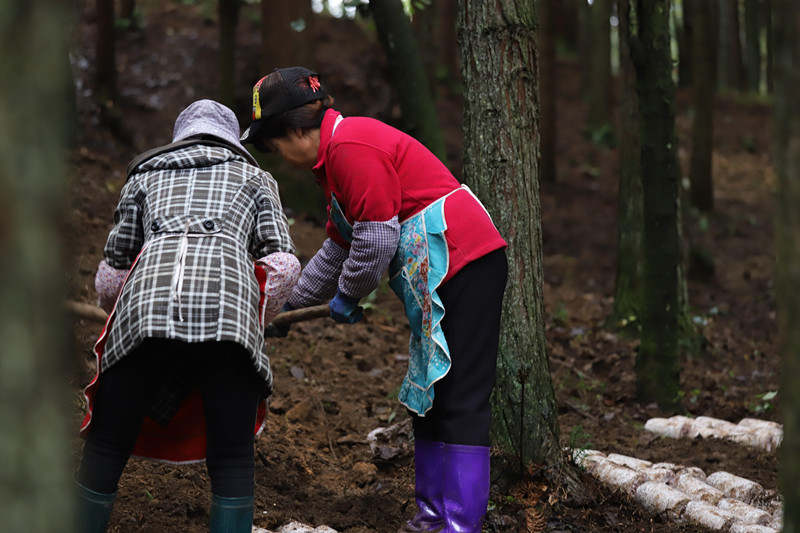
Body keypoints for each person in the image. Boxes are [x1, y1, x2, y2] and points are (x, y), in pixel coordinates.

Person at [241, 67, 508, 533]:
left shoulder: (351, 147)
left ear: (297, 129)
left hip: (465, 262)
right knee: (430, 392)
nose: (279, 157)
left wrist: (349, 295)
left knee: (460, 394)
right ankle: (431, 513)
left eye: (275, 145)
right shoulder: (335, 162)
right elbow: (338, 248)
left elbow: (377, 239)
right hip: (437, 273)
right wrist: (285, 306)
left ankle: (460, 524)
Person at [77, 99, 300, 533]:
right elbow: (285, 267)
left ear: (180, 135)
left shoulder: (144, 175)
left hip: (144, 313)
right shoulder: (256, 177)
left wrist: (121, 314)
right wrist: (255, 317)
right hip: (229, 319)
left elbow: (111, 275)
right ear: (234, 140)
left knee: (107, 441)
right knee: (232, 456)